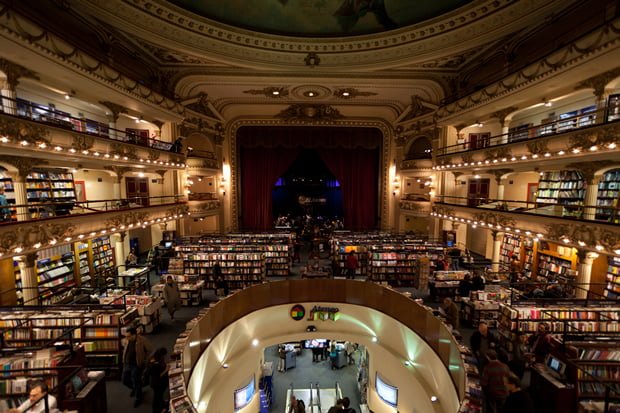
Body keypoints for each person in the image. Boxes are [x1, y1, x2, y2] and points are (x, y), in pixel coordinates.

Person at [122, 327, 152, 408]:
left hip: (136, 364)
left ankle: (138, 398)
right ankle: (136, 389)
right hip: (127, 364)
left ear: (134, 335)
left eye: (128, 336)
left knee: (136, 380)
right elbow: (125, 348)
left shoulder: (142, 340)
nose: (126, 338)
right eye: (126, 336)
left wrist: (145, 360)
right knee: (124, 380)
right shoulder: (127, 340)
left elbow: (149, 350)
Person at [145, 347, 169, 413]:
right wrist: (167, 369)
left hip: (157, 382)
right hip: (157, 383)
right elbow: (158, 376)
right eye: (164, 355)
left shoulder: (155, 358)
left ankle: (162, 403)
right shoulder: (155, 364)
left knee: (159, 396)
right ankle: (157, 410)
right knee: (157, 397)